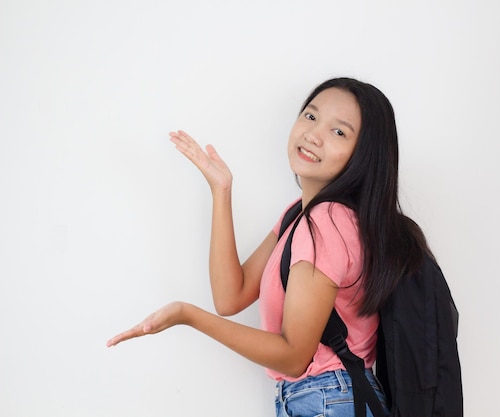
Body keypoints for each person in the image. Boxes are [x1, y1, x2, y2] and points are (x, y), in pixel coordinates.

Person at [107, 77, 433, 417]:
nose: (313, 134)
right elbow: (230, 297)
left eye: (339, 132)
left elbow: (294, 357)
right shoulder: (300, 215)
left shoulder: (328, 221)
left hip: (329, 400)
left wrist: (187, 315)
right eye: (310, 116)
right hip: (325, 399)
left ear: (364, 155)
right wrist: (222, 191)